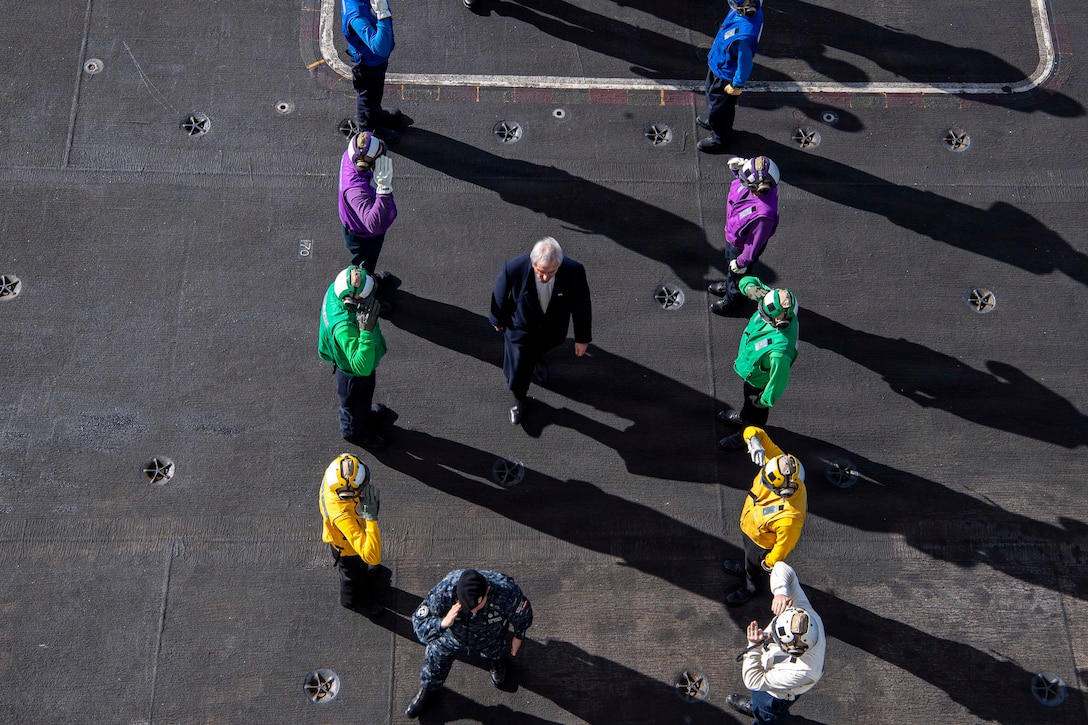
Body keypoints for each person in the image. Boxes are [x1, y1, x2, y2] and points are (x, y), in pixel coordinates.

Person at [489, 237, 592, 425]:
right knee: (517, 372)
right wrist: (497, 319)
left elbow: (582, 305)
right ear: (532, 262)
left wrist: (582, 338)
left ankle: (535, 359)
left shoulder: (574, 271)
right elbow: (499, 293)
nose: (545, 278)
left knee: (538, 350)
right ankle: (519, 400)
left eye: (551, 273)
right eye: (540, 272)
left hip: (552, 330)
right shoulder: (513, 268)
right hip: (520, 329)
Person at [405, 569, 534, 718]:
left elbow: (523, 614)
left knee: (496, 652)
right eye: (468, 608)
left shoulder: (505, 591)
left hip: (490, 638)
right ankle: (429, 688)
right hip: (450, 637)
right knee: (435, 664)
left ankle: (496, 663)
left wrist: (519, 636)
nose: (474, 612)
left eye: (478, 607)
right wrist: (441, 623)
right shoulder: (446, 589)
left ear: (488, 590)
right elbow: (419, 622)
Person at [729, 562, 825, 723]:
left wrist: (753, 646)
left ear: (791, 649)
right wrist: (780, 593)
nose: (769, 635)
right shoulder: (806, 615)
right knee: (760, 705)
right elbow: (782, 567)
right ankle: (756, 707)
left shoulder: (803, 671)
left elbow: (753, 680)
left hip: (775, 696)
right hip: (773, 677)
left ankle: (764, 715)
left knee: (768, 715)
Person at [721, 426, 807, 606]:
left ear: (784, 490)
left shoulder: (790, 518)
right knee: (748, 559)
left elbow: (782, 548)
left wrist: (767, 563)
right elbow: (753, 430)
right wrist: (754, 441)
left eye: (769, 486)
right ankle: (747, 567)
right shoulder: (779, 461)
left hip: (760, 544)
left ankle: (751, 588)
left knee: (755, 568)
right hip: (750, 527)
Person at [718, 278, 798, 449]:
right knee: (748, 404)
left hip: (759, 385)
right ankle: (744, 415)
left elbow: (779, 380)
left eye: (765, 316)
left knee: (756, 415)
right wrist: (749, 287)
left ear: (780, 322)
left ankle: (746, 436)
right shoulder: (774, 301)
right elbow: (748, 280)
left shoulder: (780, 352)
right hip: (751, 371)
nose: (760, 313)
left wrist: (764, 400)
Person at [318, 265, 389, 451]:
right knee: (350, 403)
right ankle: (353, 432)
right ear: (351, 301)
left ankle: (364, 415)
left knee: (362, 399)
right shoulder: (344, 328)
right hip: (351, 372)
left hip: (350, 363)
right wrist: (366, 331)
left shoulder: (339, 287)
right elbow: (362, 367)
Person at [708, 156, 780, 316]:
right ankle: (729, 284)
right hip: (733, 236)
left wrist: (741, 262)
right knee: (730, 267)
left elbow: (754, 244)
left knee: (739, 273)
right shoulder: (755, 186)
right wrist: (738, 170)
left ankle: (733, 299)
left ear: (757, 188)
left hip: (742, 248)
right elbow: (741, 185)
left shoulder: (763, 216)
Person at [318, 454, 384, 616]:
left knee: (360, 570)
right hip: (348, 550)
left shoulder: (337, 470)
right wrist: (371, 518)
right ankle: (352, 602)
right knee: (351, 577)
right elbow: (373, 556)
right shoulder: (342, 516)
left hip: (351, 538)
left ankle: (363, 577)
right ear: (348, 494)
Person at [697, 0, 764, 154]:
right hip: (718, 64)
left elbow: (745, 64)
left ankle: (720, 139)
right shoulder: (744, 11)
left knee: (720, 108)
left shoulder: (745, 36)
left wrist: (736, 85)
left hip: (725, 76)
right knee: (712, 99)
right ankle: (713, 120)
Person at [338, 130, 397, 286]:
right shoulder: (356, 192)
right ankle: (366, 288)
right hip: (362, 236)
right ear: (368, 164)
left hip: (356, 224)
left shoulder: (351, 155)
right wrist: (383, 189)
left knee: (367, 261)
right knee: (363, 265)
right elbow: (373, 225)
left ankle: (368, 280)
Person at [341, 0, 401, 139]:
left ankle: (376, 114)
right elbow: (381, 48)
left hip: (371, 60)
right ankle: (368, 130)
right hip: (367, 64)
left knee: (375, 93)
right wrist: (383, 13)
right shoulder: (357, 18)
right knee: (366, 98)